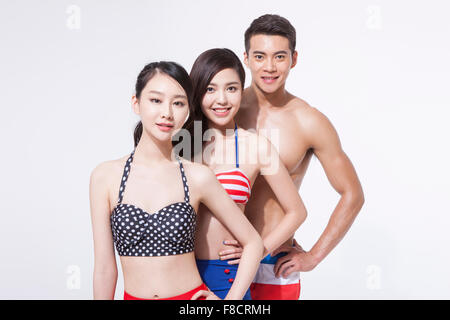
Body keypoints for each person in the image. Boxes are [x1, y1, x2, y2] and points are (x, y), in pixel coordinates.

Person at [89, 61, 264, 300]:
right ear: (136, 103)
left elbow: (253, 242)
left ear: (188, 111)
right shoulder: (105, 176)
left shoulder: (197, 176)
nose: (167, 113)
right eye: (156, 100)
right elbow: (104, 269)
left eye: (178, 103)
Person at [221, 14, 365, 300]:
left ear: (294, 59)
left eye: (280, 57)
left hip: (273, 266)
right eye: (260, 56)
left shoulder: (308, 121)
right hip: (221, 258)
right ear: (246, 58)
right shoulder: (224, 109)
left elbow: (352, 193)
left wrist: (314, 256)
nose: (270, 67)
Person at [185, 48, 307, 300]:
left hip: (228, 278)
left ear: (242, 90)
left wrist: (260, 249)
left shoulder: (258, 146)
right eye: (210, 89)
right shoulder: (181, 145)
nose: (222, 99)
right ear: (197, 92)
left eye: (231, 88)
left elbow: (297, 211)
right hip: (178, 275)